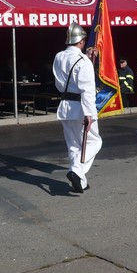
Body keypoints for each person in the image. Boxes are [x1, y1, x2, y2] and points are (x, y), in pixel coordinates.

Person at [53, 22, 102, 193]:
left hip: (65, 105)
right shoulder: (84, 61)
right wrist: (89, 114)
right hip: (81, 107)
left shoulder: (58, 57)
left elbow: (61, 82)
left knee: (74, 145)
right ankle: (76, 170)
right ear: (81, 41)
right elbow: (87, 90)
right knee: (95, 141)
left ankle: (80, 181)